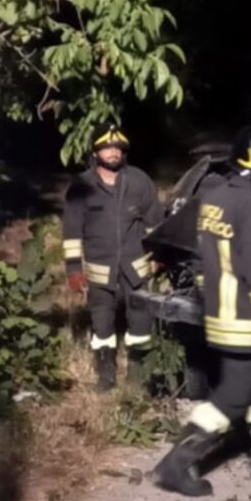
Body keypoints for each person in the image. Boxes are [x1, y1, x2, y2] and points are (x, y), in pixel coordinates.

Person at [154, 124, 251, 497]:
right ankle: (175, 465)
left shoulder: (214, 198)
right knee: (231, 396)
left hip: (218, 314)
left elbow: (204, 259)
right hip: (247, 321)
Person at [62, 126, 165, 391]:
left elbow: (155, 224)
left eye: (118, 149)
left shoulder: (140, 182)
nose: (113, 153)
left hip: (136, 268)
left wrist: (159, 256)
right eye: (107, 148)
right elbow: (72, 232)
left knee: (141, 324)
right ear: (96, 153)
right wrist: (74, 269)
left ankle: (138, 375)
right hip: (99, 270)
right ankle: (105, 376)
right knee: (102, 326)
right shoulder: (82, 186)